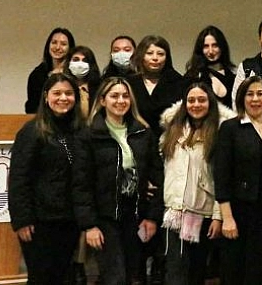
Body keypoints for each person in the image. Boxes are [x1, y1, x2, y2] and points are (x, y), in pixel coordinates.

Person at [72, 77, 164, 284]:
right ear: (102, 100)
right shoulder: (89, 135)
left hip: (136, 215)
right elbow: (81, 184)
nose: (121, 101)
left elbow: (157, 176)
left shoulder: (143, 132)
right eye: (114, 96)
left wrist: (152, 217)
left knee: (134, 275)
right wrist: (89, 225)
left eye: (125, 96)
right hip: (104, 218)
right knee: (115, 277)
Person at [214, 76, 262, 284]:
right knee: (243, 271)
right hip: (242, 212)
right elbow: (221, 175)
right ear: (241, 98)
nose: (255, 99)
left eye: (260, 94)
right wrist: (227, 218)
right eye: (250, 94)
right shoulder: (230, 128)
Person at [9, 73, 83, 284]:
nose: (63, 98)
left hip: (69, 220)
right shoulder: (32, 131)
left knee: (63, 276)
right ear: (46, 96)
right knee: (41, 277)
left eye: (68, 93)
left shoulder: (79, 131)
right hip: (38, 222)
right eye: (57, 93)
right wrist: (22, 220)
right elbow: (18, 178)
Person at [159, 82, 235, 285]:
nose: (196, 104)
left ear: (210, 103)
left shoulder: (220, 133)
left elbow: (223, 178)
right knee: (175, 271)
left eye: (202, 100)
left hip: (203, 212)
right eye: (191, 100)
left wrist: (218, 216)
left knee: (196, 271)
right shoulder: (172, 130)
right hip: (175, 212)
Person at [127, 35, 185, 137]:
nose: (155, 58)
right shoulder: (129, 82)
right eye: (149, 53)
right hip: (135, 138)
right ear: (141, 55)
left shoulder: (178, 82)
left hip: (169, 139)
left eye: (160, 54)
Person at [184, 25, 237, 109]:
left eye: (215, 45)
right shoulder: (193, 76)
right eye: (206, 46)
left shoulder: (233, 75)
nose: (211, 51)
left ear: (222, 47)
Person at [25, 27, 75, 113]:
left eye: (63, 44)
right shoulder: (37, 74)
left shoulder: (75, 73)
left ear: (70, 48)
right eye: (54, 42)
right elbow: (32, 106)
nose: (57, 47)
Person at [63, 45, 102, 119]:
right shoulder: (62, 85)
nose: (80, 64)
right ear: (69, 63)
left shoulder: (99, 88)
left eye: (85, 60)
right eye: (76, 59)